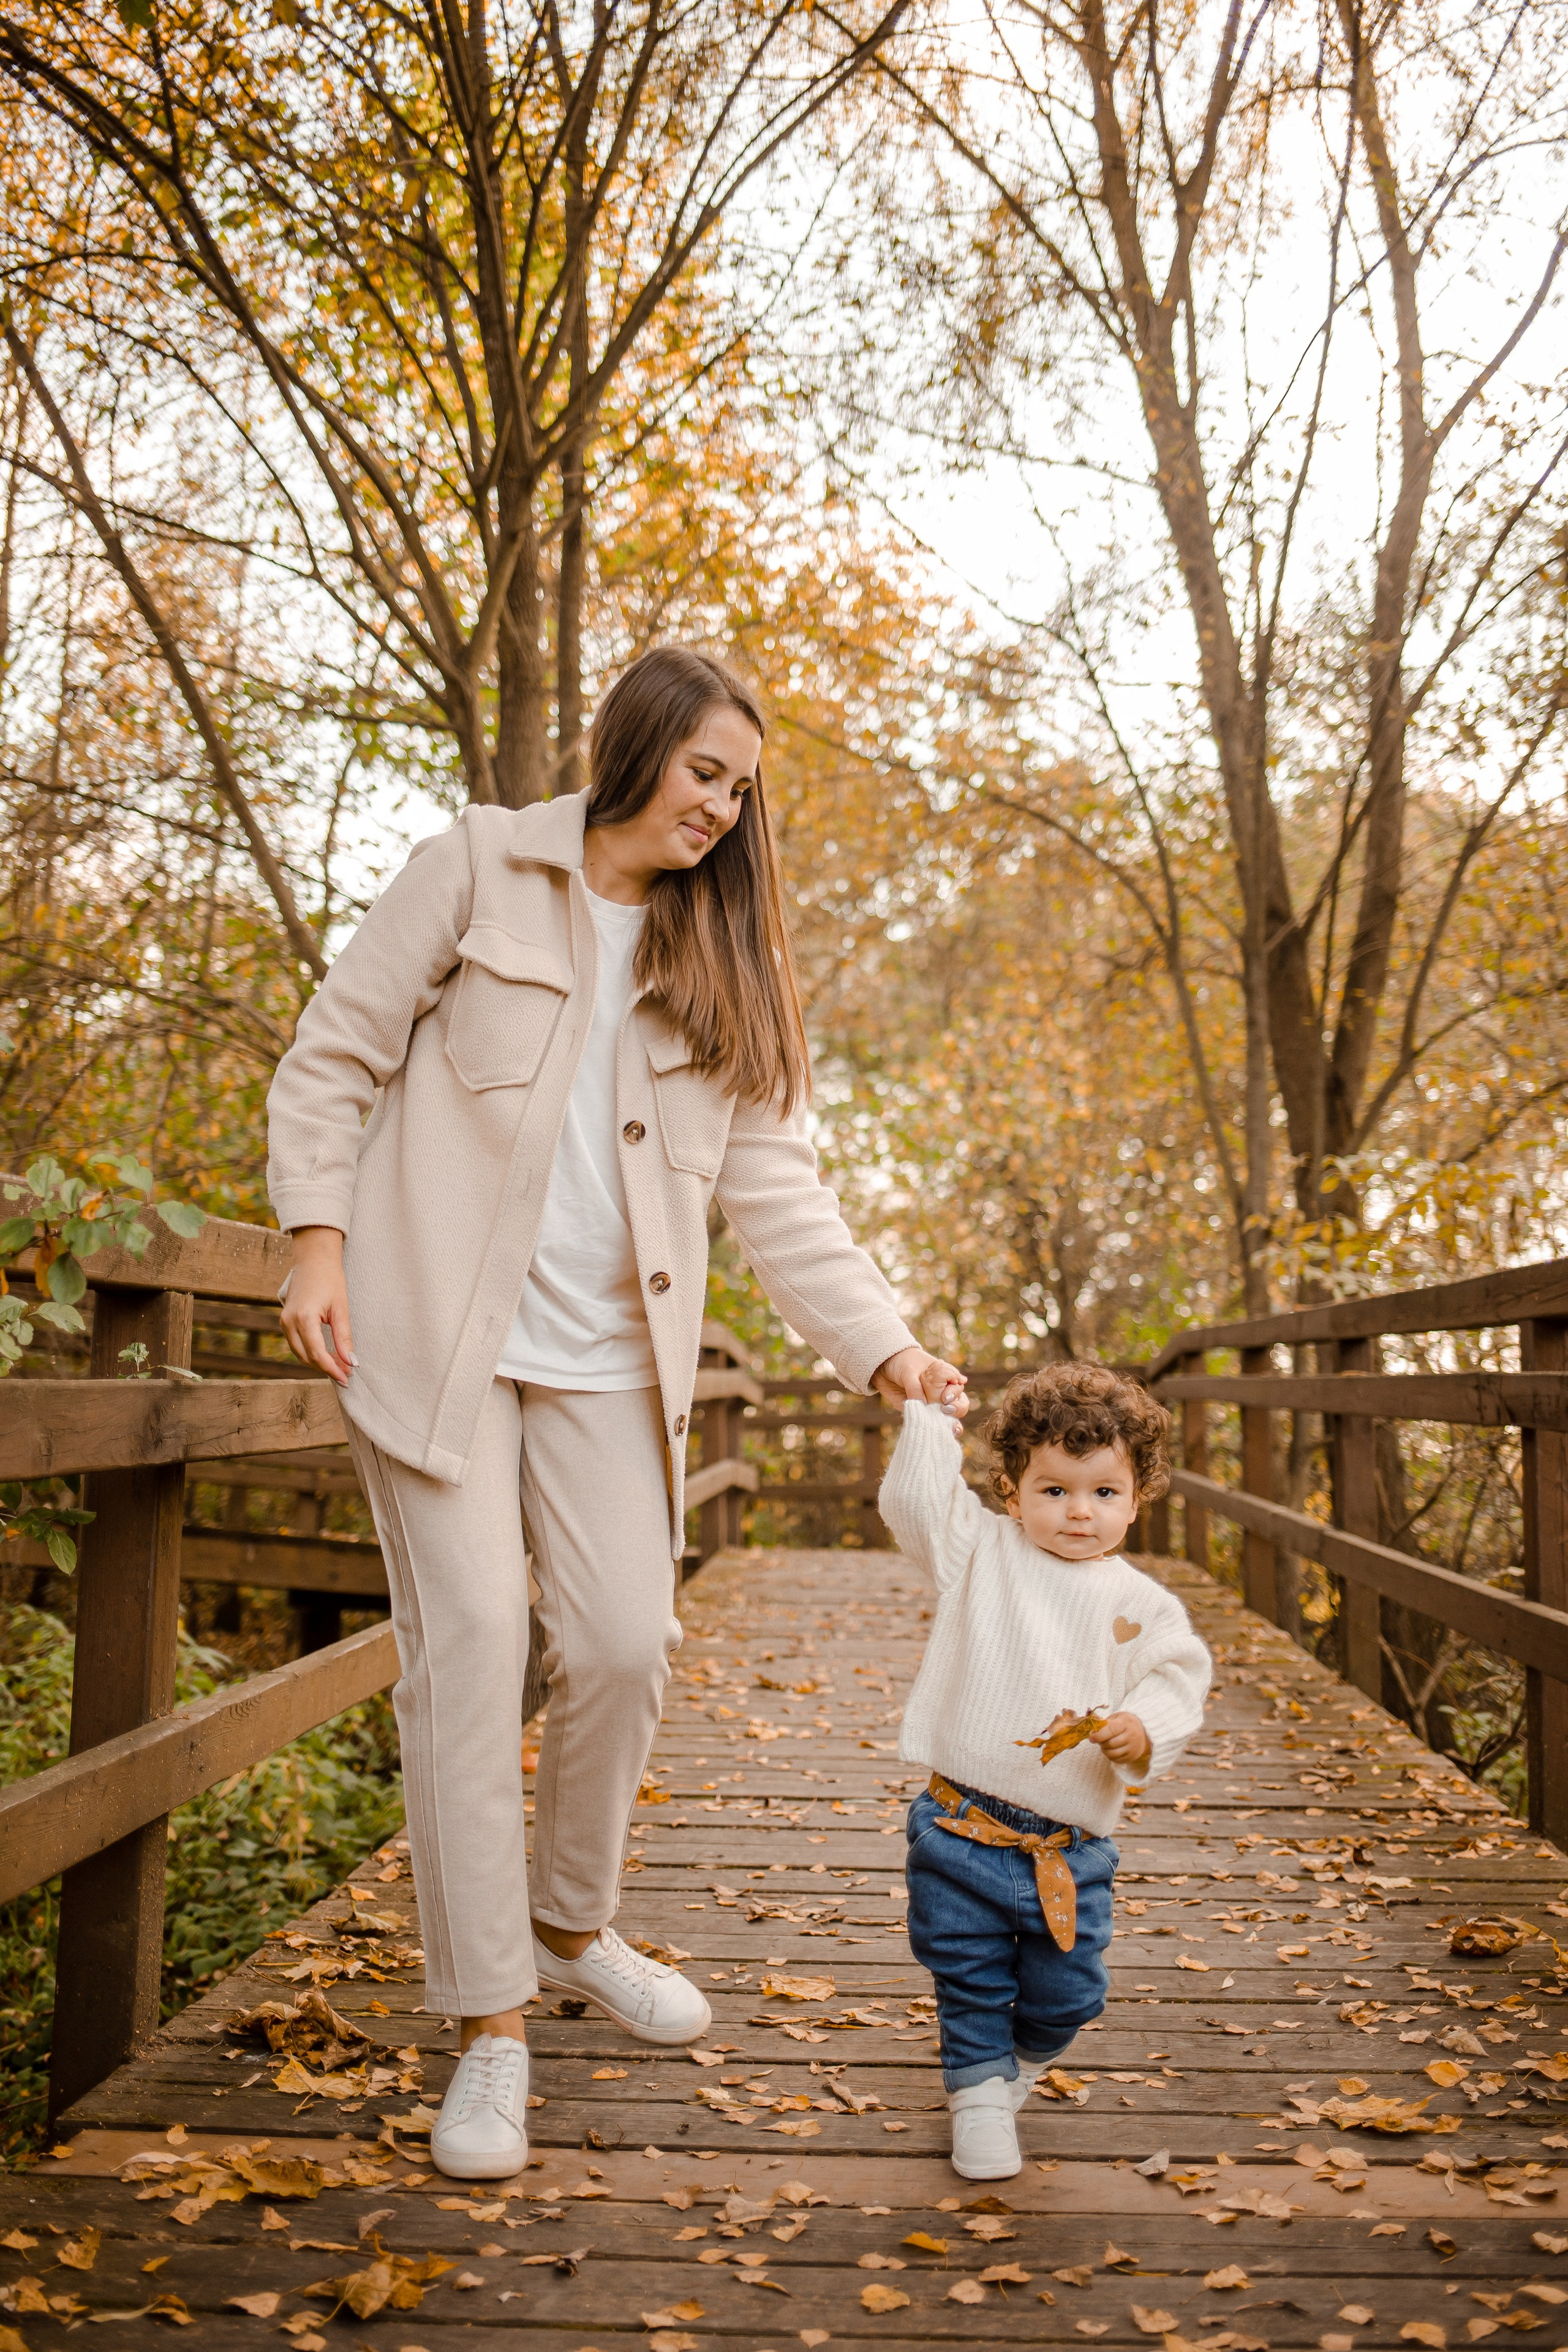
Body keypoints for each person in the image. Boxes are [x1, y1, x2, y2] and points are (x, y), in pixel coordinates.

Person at [266, 646, 967, 2181]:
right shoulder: (475, 866)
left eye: (742, 789)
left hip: (605, 1366)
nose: (723, 807)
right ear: (637, 744)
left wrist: (887, 1354)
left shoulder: (720, 964)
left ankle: (570, 1923)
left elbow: (782, 1197)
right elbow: (334, 1056)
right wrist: (316, 1239)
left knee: (625, 1644)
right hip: (433, 1344)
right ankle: (488, 2031)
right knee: (471, 1654)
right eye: (706, 770)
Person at [879, 1363, 1210, 2180]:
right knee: (969, 1977)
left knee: (1068, 1996)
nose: (1078, 1512)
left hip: (1070, 1849)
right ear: (1012, 1490)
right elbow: (916, 1505)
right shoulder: (978, 1554)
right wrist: (928, 1419)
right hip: (962, 1826)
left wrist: (1146, 1728)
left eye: (1104, 1493)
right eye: (1054, 1489)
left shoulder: (1142, 1605)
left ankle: (1016, 2066)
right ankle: (979, 2096)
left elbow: (1179, 1675)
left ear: (1137, 1499)